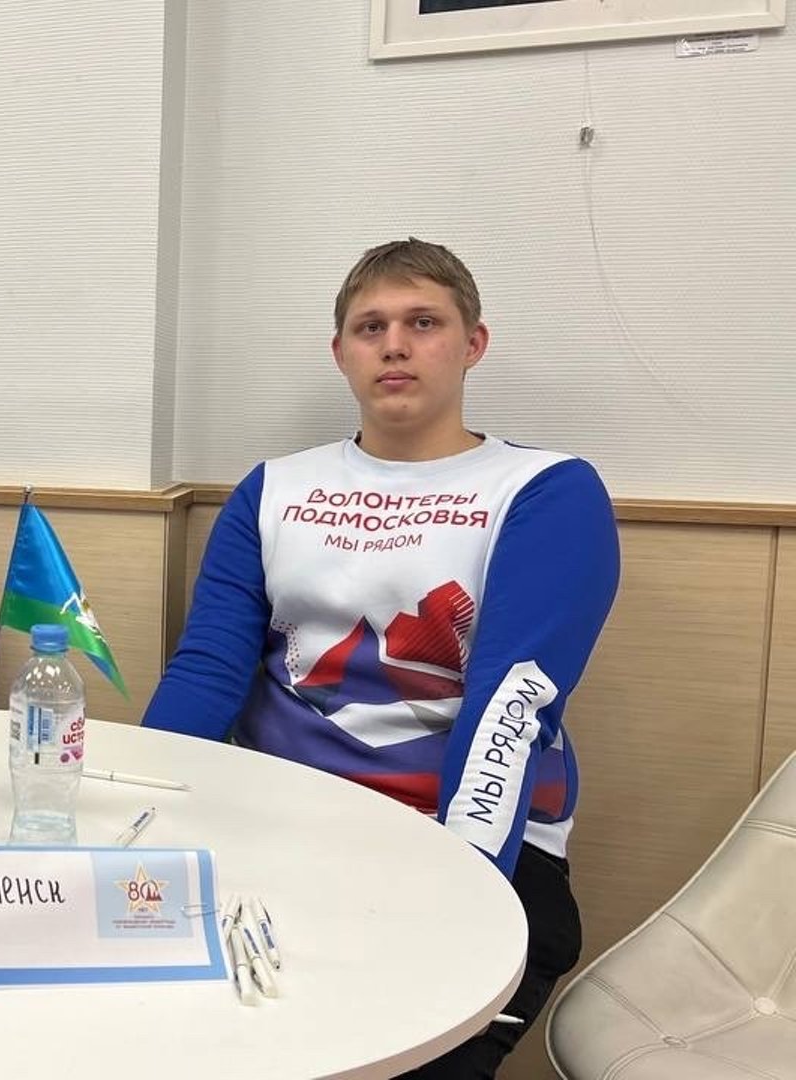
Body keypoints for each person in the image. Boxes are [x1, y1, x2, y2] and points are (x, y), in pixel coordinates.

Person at [142, 240, 618, 1077]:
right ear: (341, 352)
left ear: (472, 343)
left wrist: (459, 887)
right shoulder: (274, 488)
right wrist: (135, 825)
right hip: (277, 823)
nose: (394, 345)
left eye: (423, 323)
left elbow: (509, 710)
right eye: (371, 327)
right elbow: (208, 671)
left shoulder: (545, 489)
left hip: (465, 840)